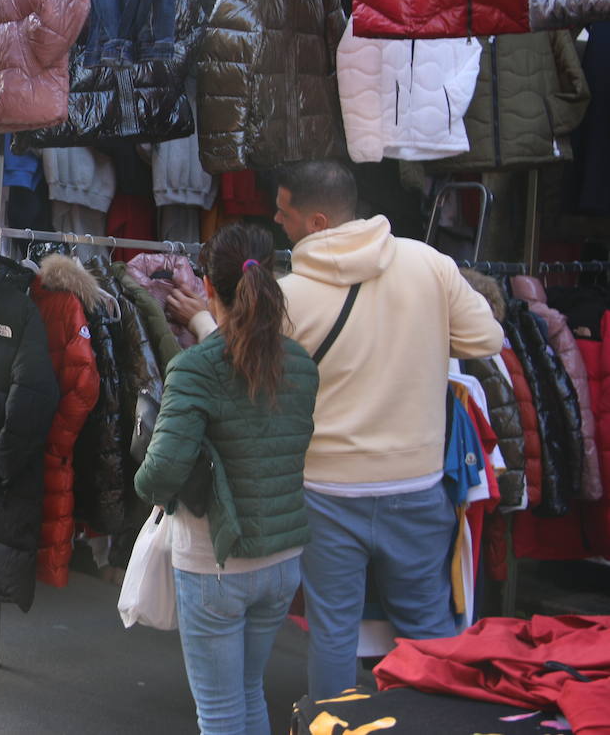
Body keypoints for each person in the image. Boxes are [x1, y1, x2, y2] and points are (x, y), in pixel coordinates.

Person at [168, 160, 504, 699]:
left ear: (317, 220)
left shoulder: (289, 296)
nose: (276, 220)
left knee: (334, 636)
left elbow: (234, 367)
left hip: (326, 493)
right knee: (429, 633)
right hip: (416, 484)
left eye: (284, 211)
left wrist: (202, 322)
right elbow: (485, 338)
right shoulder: (428, 264)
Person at [134, 223, 319, 735]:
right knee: (248, 694)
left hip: (216, 561)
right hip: (282, 560)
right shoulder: (300, 364)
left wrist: (143, 488)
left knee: (218, 713)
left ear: (208, 289)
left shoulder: (196, 368)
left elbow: (162, 472)